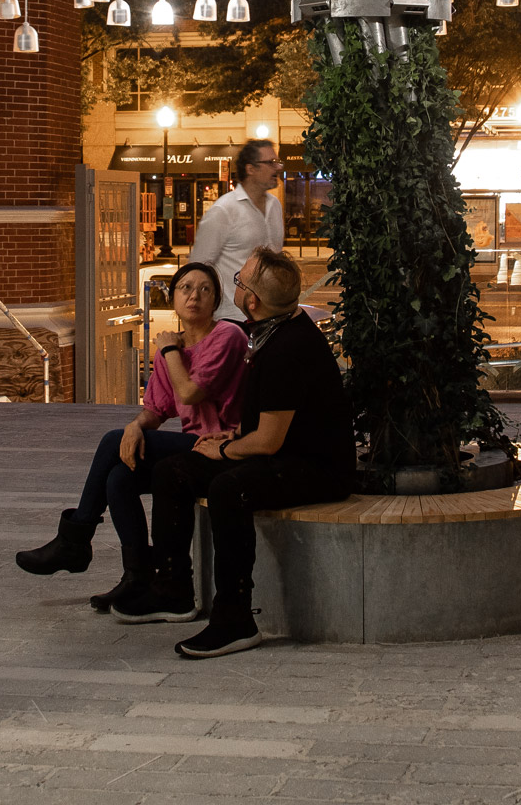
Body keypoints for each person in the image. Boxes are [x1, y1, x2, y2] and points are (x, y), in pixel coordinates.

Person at [113, 248, 355, 658]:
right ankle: (172, 590)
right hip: (281, 449)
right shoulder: (269, 328)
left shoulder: (287, 349)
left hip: (316, 468)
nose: (236, 285)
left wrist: (225, 448)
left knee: (229, 488)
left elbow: (269, 443)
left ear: (253, 300)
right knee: (172, 471)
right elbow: (263, 423)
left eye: (240, 283)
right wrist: (230, 436)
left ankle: (234, 618)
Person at [13, 262, 247, 611]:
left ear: (216, 301)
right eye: (185, 288)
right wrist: (136, 427)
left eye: (204, 289)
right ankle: (137, 578)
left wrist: (168, 352)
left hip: (226, 447)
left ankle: (75, 539)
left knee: (111, 441)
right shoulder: (173, 348)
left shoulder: (227, 336)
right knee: (119, 477)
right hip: (196, 448)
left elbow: (190, 393)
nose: (194, 296)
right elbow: (156, 410)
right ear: (173, 297)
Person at [185, 140, 284, 321]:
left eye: (277, 162)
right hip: (232, 318)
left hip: (269, 317)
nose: (277, 167)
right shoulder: (223, 211)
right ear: (250, 169)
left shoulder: (275, 206)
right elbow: (197, 270)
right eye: (270, 163)